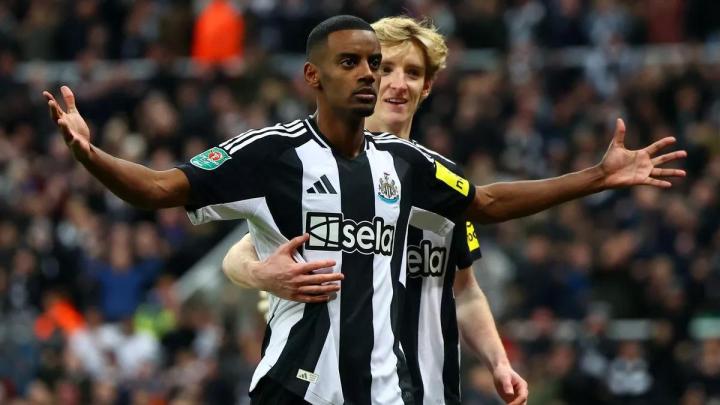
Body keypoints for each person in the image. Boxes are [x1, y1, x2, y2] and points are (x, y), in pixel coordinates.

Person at [44, 15, 685, 405]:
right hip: (294, 387)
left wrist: (597, 178)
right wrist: (91, 155)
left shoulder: (408, 167)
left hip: (394, 390)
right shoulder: (271, 154)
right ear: (313, 76)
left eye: (375, 65)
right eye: (352, 63)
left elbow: (485, 204)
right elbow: (161, 189)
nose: (372, 77)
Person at [222, 16, 527, 405]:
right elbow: (242, 252)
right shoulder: (324, 166)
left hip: (431, 391)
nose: (398, 83)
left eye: (412, 72)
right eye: (386, 68)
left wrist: (498, 362)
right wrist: (260, 274)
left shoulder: (444, 179)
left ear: (427, 86)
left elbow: (465, 291)